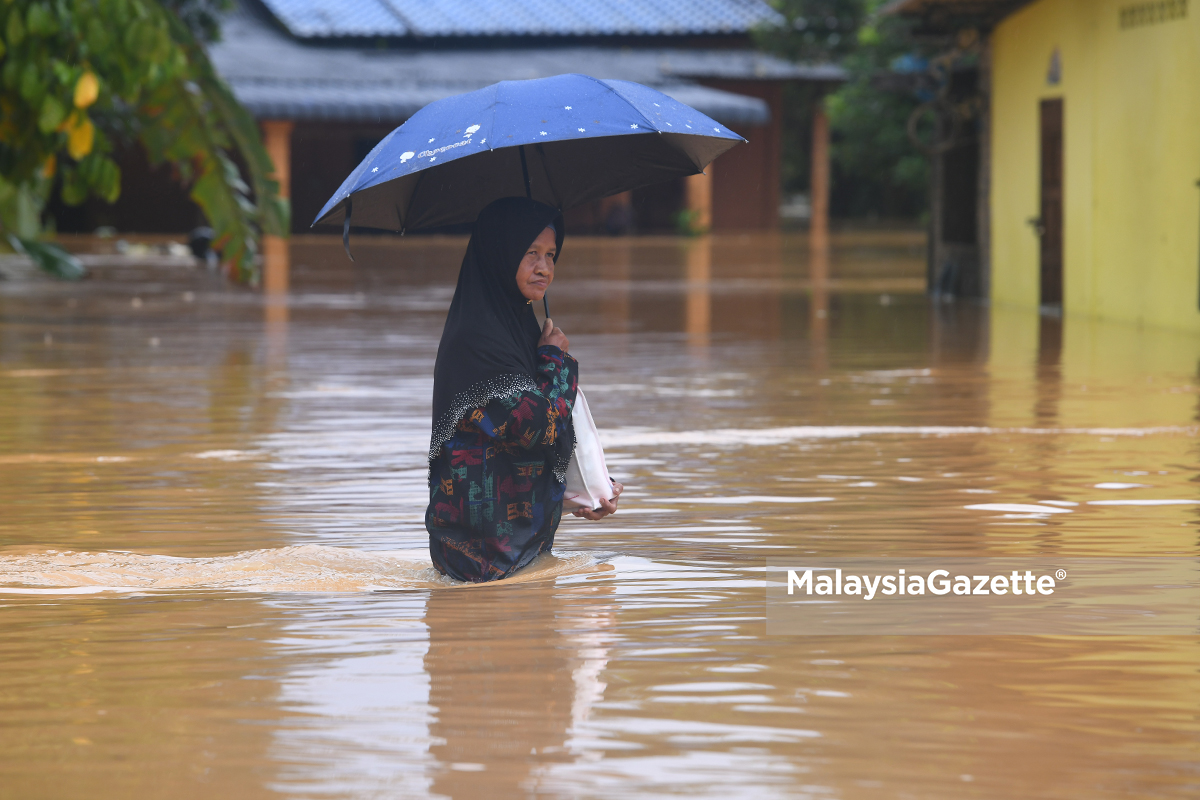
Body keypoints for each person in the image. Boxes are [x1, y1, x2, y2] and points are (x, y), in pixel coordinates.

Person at [425, 197, 622, 582]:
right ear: (500, 254)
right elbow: (539, 427)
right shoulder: (476, 339)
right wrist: (555, 360)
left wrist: (589, 487)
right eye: (530, 253)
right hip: (479, 563)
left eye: (551, 255)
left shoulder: (521, 331)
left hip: (521, 551)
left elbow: (514, 447)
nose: (544, 268)